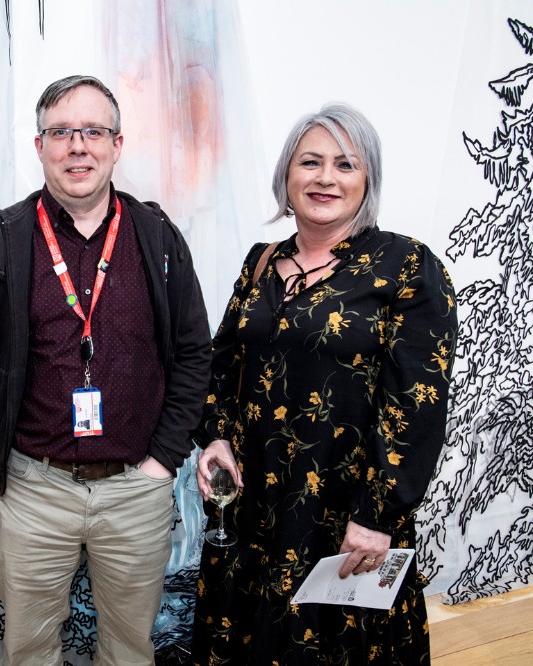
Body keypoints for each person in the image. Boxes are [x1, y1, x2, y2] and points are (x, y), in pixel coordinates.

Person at [0, 74, 212, 664]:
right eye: (61, 132)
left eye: (93, 131)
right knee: (31, 649)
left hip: (134, 489)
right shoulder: (1, 243)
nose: (77, 146)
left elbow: (195, 353)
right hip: (34, 488)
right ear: (39, 146)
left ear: (117, 145)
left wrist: (161, 462)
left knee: (128, 650)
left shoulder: (159, 237)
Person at [191, 103, 457, 665]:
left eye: (345, 164)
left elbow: (418, 404)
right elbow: (222, 364)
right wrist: (213, 438)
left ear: (368, 180)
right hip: (254, 509)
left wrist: (378, 517)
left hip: (344, 518)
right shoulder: (261, 263)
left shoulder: (406, 266)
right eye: (310, 162)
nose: (325, 178)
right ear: (287, 177)